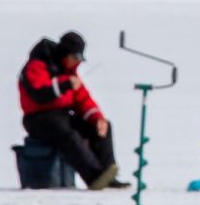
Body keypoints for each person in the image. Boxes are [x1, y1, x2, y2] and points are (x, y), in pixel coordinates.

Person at [17, 31, 128, 190]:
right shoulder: (37, 65)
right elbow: (40, 94)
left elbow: (83, 100)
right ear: (65, 55)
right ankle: (94, 177)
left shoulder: (69, 73)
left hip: (61, 116)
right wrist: (65, 84)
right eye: (75, 58)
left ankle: (108, 174)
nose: (78, 63)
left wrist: (97, 118)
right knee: (69, 135)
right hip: (38, 118)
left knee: (103, 127)